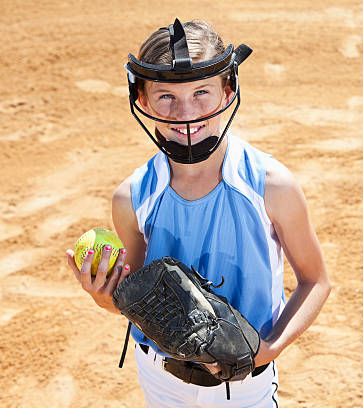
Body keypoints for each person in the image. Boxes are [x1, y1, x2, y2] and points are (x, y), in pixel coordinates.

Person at [66, 17, 331, 407]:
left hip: (244, 387)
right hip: (160, 378)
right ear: (142, 101)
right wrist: (104, 298)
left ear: (228, 91)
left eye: (202, 92)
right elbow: (139, 299)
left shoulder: (270, 186)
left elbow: (315, 281)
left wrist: (269, 349)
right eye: (166, 97)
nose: (186, 112)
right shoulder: (133, 197)